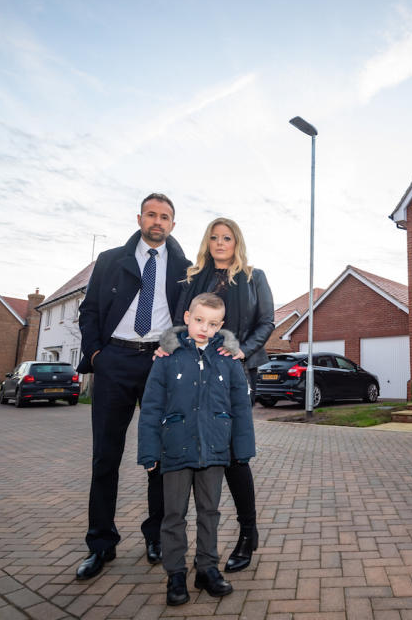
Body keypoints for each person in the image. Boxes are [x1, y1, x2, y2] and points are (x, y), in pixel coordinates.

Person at [74, 193, 192, 581]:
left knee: (158, 455)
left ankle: (155, 536)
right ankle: (100, 544)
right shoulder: (110, 260)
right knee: (105, 456)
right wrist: (96, 355)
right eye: (152, 215)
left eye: (166, 217)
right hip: (115, 361)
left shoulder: (184, 268)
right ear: (140, 218)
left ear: (173, 224)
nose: (158, 222)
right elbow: (89, 310)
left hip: (159, 363)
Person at [169, 217, 274, 572]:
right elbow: (180, 322)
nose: (219, 242)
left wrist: (244, 349)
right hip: (196, 372)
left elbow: (267, 321)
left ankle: (248, 533)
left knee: (234, 455)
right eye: (213, 237)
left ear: (236, 242)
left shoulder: (253, 277)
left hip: (236, 371)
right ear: (207, 241)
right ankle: (184, 542)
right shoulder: (192, 277)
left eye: (226, 237)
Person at [138, 292, 255, 605]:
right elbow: (151, 407)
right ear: (187, 318)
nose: (205, 328)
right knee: (173, 515)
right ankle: (176, 574)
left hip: (215, 451)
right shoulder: (167, 357)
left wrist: (241, 449)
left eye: (213, 323)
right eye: (200, 320)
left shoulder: (228, 360)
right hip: (175, 450)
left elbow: (241, 407)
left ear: (221, 326)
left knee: (210, 512)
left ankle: (207, 569)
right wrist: (149, 453)